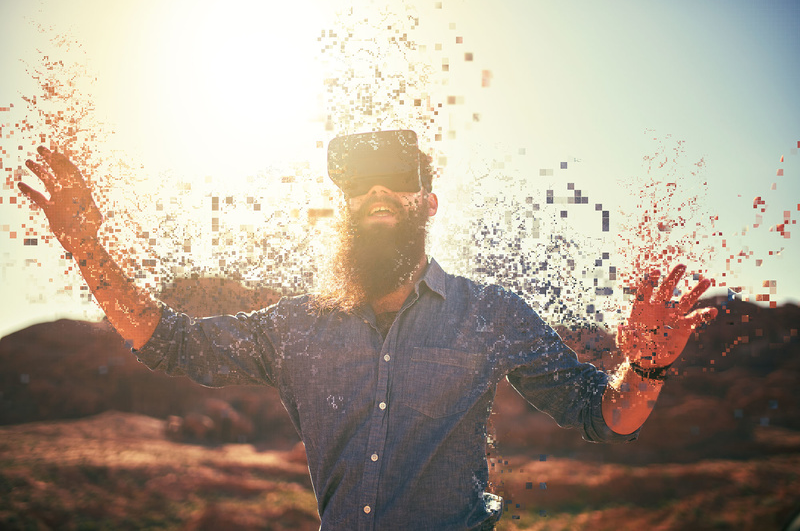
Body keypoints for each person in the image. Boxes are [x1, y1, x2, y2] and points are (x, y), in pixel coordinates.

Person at [20, 130, 718, 530]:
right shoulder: (296, 326)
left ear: (429, 200)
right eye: (359, 183)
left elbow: (601, 412)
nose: (376, 191)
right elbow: (166, 338)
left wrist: (645, 367)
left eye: (396, 177)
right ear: (344, 206)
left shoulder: (488, 312)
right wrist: (88, 247)